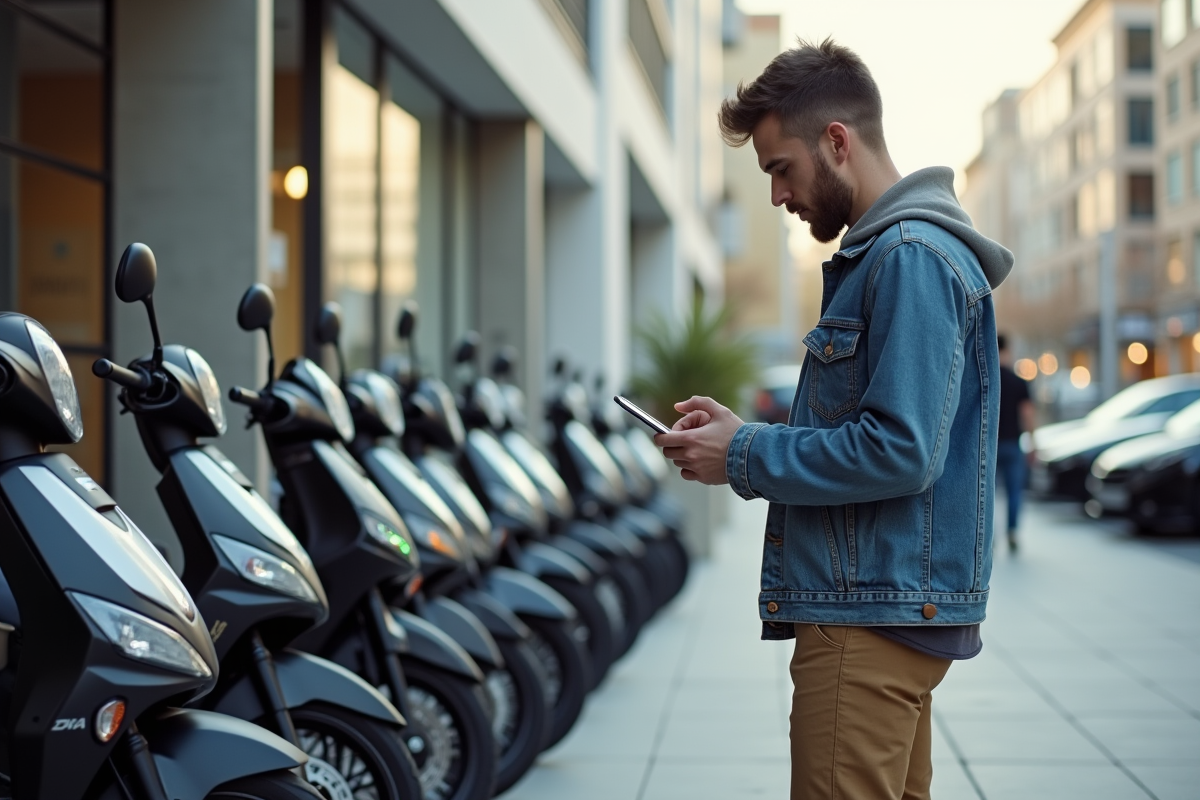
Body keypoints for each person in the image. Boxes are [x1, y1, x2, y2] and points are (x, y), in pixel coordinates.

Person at [654, 39, 1013, 800]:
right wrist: (740, 436)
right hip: (881, 612)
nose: (778, 196)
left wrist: (743, 453)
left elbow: (900, 449)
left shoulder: (908, 256)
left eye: (780, 168)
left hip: (868, 628)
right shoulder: (897, 254)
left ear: (837, 142)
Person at [995, 334, 1035, 552]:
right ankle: (1012, 531)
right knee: (1014, 492)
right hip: (1012, 444)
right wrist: (1033, 442)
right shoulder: (1018, 381)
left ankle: (987, 536)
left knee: (986, 493)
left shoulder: (987, 379)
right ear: (1008, 350)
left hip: (988, 448)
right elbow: (1027, 414)